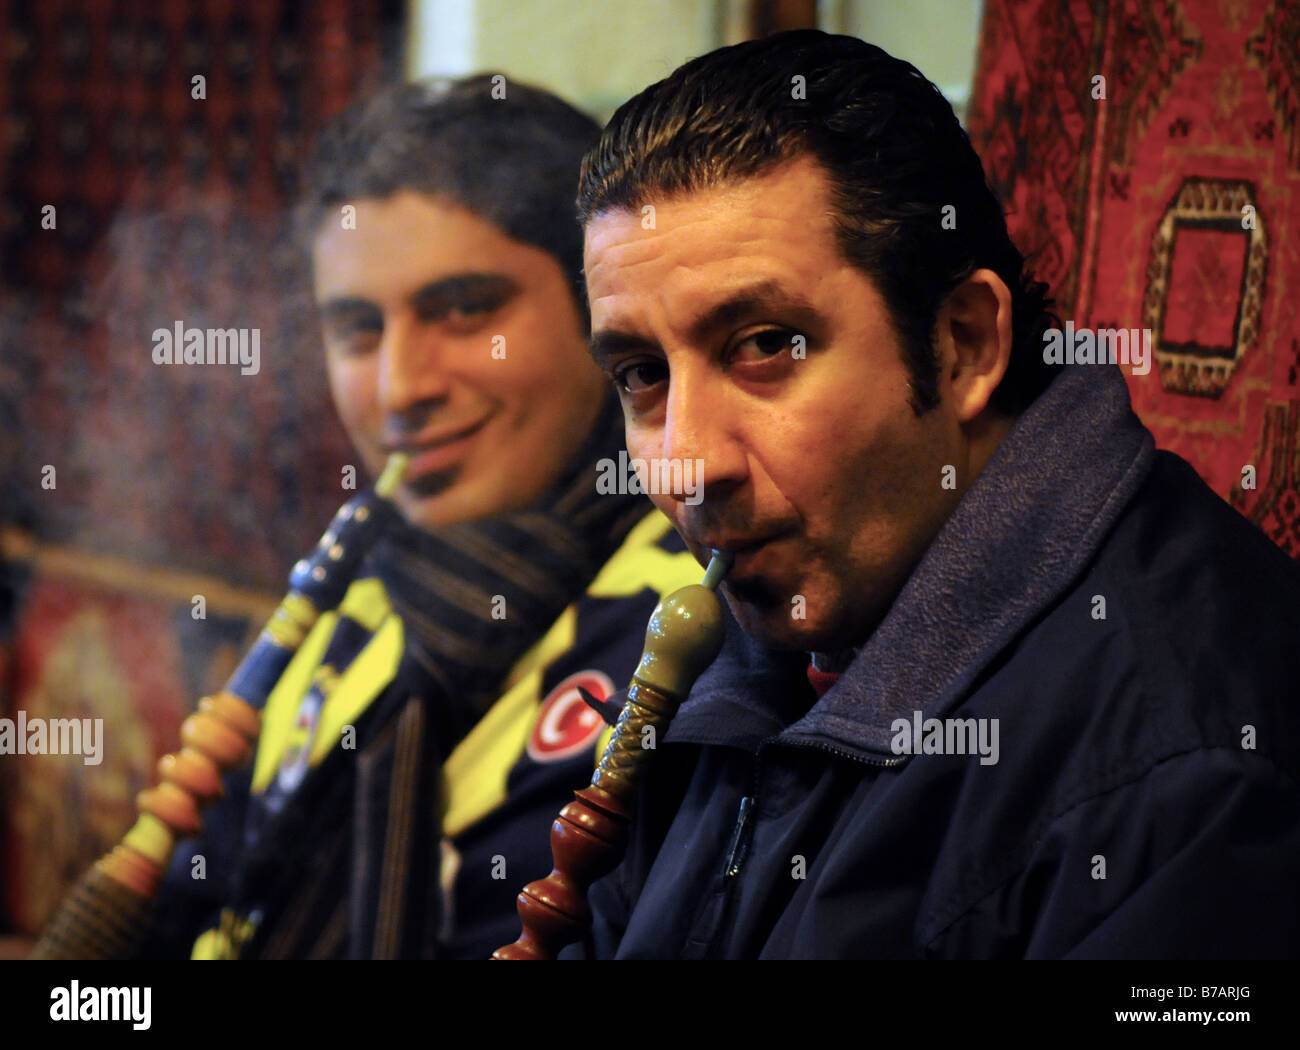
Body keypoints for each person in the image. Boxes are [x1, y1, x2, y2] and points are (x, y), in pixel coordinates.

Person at [572, 30, 1300, 958]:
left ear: (963, 344)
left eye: (763, 344)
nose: (685, 464)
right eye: (640, 373)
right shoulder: (753, 640)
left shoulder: (1189, 773)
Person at [138, 75, 700, 960]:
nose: (403, 389)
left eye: (467, 310)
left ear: (603, 311)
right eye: (359, 329)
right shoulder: (337, 615)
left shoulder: (700, 617)